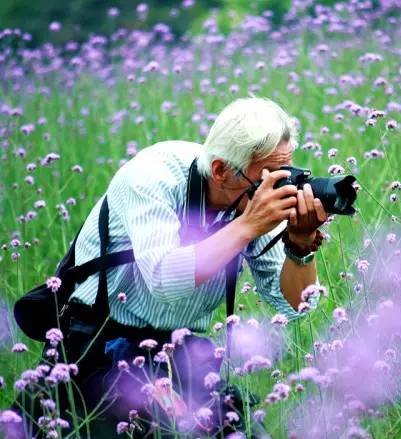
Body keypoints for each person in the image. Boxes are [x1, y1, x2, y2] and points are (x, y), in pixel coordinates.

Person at [16, 96, 327, 438]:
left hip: (181, 352)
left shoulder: (254, 200)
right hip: (99, 350)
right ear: (221, 170)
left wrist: (299, 245)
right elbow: (163, 280)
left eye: (283, 174)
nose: (276, 188)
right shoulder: (153, 177)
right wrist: (249, 226)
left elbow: (295, 307)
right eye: (266, 177)